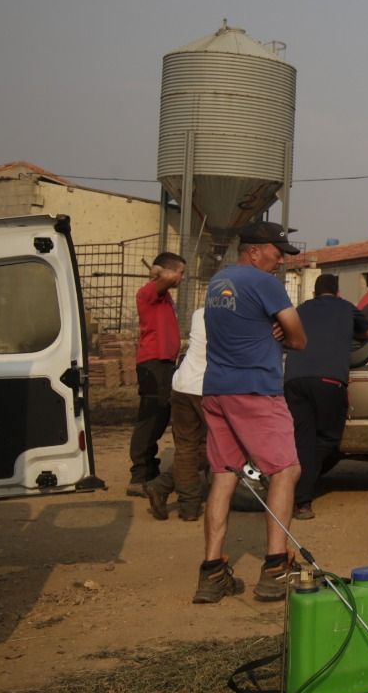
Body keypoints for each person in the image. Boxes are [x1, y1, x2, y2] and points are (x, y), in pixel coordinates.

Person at [194, 222, 307, 604]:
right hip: (256, 389)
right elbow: (298, 337)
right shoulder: (263, 282)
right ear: (255, 250)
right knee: (285, 470)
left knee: (224, 475)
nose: (280, 260)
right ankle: (276, 566)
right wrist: (280, 328)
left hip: (216, 389)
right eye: (277, 252)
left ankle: (212, 572)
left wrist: (265, 327)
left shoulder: (217, 282)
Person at [283, 274, 368, 521]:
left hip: (294, 380)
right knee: (329, 439)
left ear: (314, 293)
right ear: (338, 291)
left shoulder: (300, 309)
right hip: (329, 380)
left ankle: (301, 502)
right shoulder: (346, 308)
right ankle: (301, 482)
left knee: (303, 438)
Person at [129, 252, 185, 496]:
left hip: (165, 363)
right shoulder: (150, 292)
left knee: (161, 416)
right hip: (153, 364)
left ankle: (150, 470)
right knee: (150, 418)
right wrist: (160, 273)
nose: (181, 278)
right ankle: (139, 476)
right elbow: (166, 280)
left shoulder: (164, 297)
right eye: (181, 272)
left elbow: (167, 281)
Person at [143, 307, 208, 521]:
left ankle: (165, 490)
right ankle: (187, 503)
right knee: (213, 447)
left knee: (188, 446)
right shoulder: (232, 315)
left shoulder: (199, 312)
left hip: (182, 383)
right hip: (205, 388)